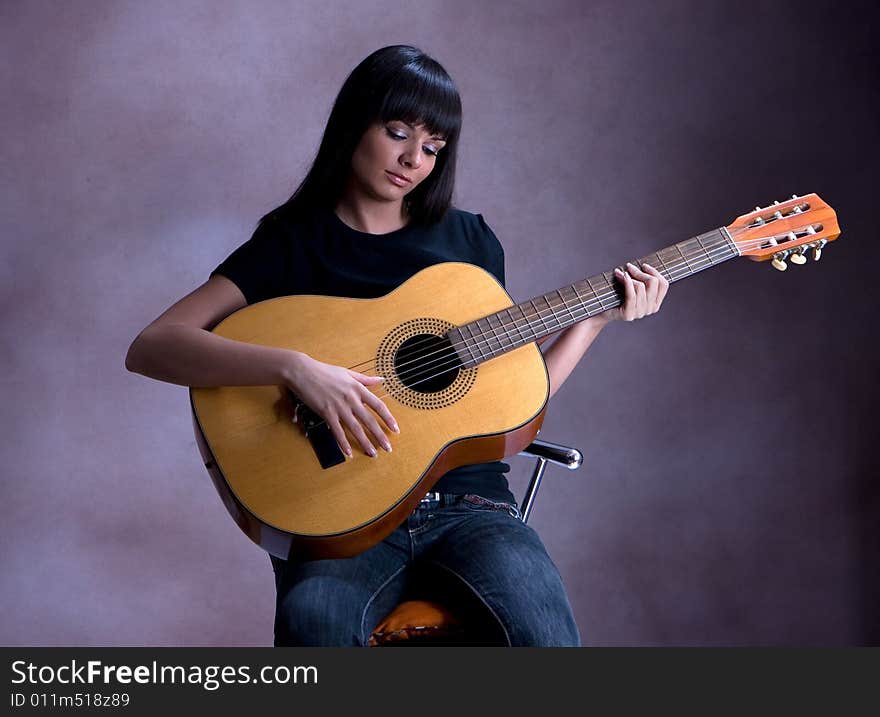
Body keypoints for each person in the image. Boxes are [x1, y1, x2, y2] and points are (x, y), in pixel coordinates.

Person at [125, 44, 669, 646]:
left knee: (547, 640)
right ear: (355, 122)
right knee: (314, 632)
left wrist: (593, 322)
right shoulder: (291, 241)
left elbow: (509, 400)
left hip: (472, 508)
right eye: (398, 131)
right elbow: (153, 344)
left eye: (434, 147)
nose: (413, 159)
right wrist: (295, 369)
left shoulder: (468, 239)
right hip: (345, 518)